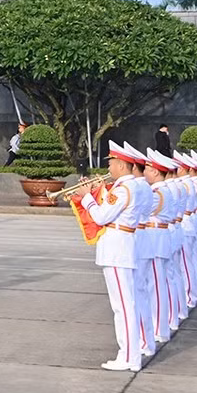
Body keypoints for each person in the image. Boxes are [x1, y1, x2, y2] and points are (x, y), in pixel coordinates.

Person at [84, 143, 150, 372]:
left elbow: (102, 217)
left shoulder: (123, 189)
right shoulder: (137, 186)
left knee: (122, 306)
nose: (109, 168)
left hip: (116, 248)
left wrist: (87, 199)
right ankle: (133, 353)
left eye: (111, 163)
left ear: (122, 165)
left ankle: (128, 356)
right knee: (128, 303)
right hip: (125, 245)